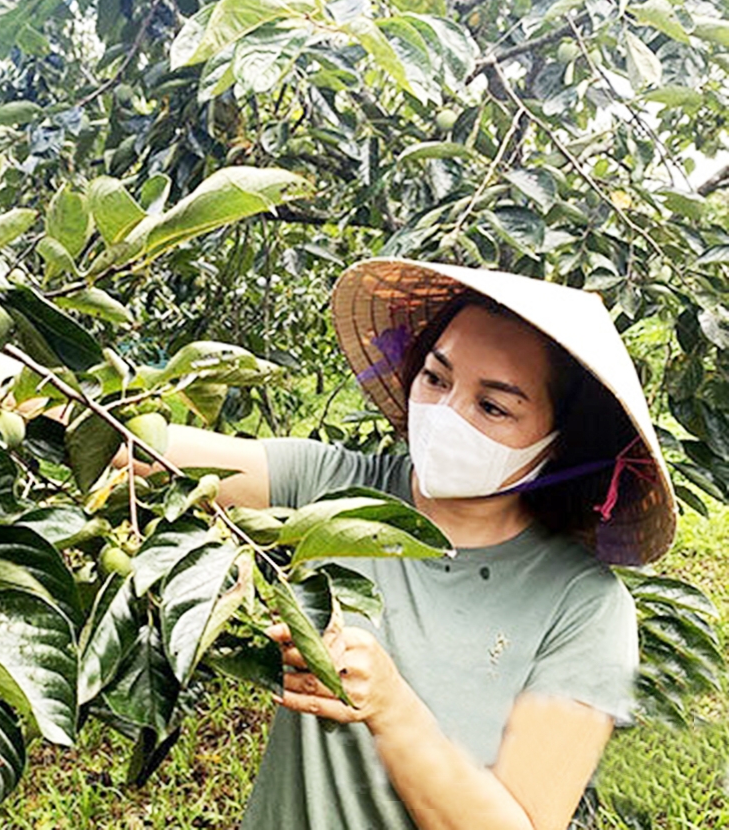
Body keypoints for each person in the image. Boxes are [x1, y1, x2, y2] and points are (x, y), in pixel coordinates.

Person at [158, 258, 675, 830]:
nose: (446, 413)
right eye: (435, 378)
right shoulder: (337, 488)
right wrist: (78, 400)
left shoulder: (583, 608)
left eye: (493, 406)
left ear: (559, 444)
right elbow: (149, 451)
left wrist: (391, 707)